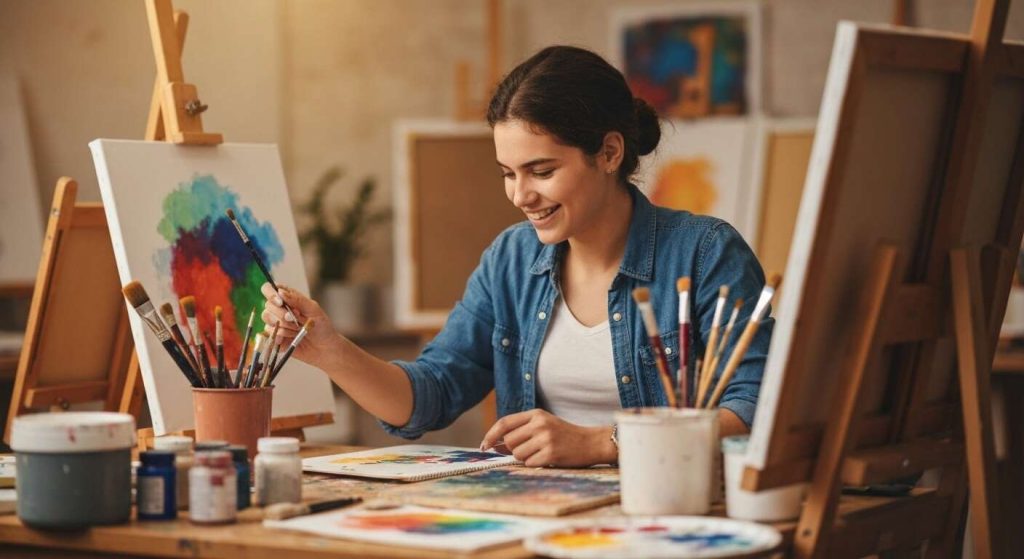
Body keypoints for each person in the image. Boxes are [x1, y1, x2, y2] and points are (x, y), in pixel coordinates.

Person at [261, 45, 772, 468]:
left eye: (541, 171)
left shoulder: (705, 252)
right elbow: (430, 394)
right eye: (508, 172)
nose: (519, 195)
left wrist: (600, 443)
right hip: (540, 517)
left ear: (610, 153)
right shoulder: (511, 259)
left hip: (667, 519)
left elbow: (753, 409)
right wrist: (330, 350)